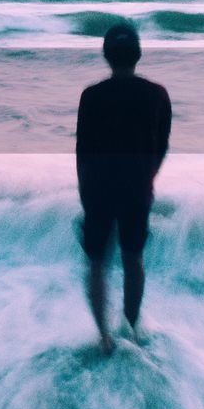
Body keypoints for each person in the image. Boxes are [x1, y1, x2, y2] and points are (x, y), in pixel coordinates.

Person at [76, 23, 171, 354]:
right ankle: (131, 327)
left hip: (99, 188)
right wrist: (147, 178)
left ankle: (103, 336)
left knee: (97, 263)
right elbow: (161, 145)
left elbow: (83, 151)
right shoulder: (157, 95)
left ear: (105, 55)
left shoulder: (91, 96)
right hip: (136, 188)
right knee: (134, 259)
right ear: (139, 54)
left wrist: (84, 191)